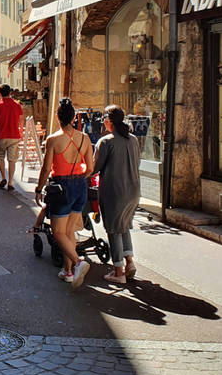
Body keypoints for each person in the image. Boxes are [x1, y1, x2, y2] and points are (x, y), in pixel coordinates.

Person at [34, 98, 95, 290]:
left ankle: (78, 263)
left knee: (58, 232)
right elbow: (90, 168)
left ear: (58, 117)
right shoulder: (85, 138)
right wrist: (77, 177)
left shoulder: (53, 139)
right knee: (70, 231)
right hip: (80, 187)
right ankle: (67, 272)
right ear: (74, 117)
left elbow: (45, 169)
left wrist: (38, 188)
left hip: (61, 186)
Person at [92, 105, 143, 283]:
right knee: (124, 224)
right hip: (133, 190)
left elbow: (94, 167)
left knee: (113, 228)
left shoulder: (106, 142)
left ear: (108, 121)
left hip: (114, 190)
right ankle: (129, 262)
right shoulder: (134, 139)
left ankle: (118, 271)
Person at [0, 84, 24, 191]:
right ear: (10, 93)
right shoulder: (17, 105)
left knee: (0, 157)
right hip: (14, 135)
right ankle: (10, 182)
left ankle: (3, 178)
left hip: (1, 135)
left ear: (0, 93)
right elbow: (21, 119)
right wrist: (21, 131)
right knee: (12, 160)